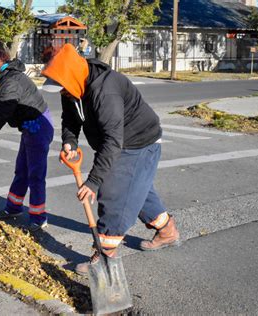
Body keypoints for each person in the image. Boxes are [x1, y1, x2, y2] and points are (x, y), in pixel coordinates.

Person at [41, 44, 180, 274]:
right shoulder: (73, 87)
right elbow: (70, 118)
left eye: (62, 87)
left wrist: (94, 181)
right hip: (118, 142)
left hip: (137, 142)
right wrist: (69, 141)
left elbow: (113, 141)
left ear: (71, 75)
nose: (62, 92)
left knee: (114, 193)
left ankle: (105, 255)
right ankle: (167, 231)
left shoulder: (106, 90)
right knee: (136, 190)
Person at [0, 46, 54, 232]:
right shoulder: (9, 77)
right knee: (22, 169)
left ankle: (39, 218)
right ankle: (13, 208)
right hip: (31, 125)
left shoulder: (10, 83)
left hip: (38, 125)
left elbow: (2, 113)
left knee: (35, 175)